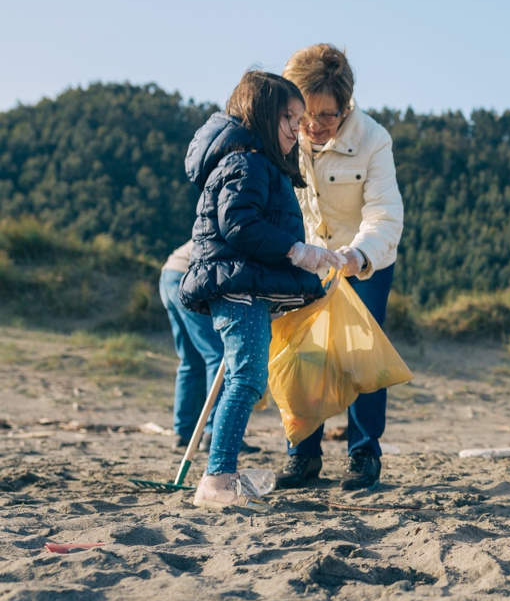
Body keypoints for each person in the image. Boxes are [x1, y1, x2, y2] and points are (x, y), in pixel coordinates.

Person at [180, 70, 346, 511]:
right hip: (237, 289)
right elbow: (239, 225)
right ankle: (217, 480)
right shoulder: (246, 161)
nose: (298, 128)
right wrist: (296, 251)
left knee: (245, 378)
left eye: (300, 117)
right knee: (247, 379)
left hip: (246, 287)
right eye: (289, 118)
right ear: (260, 116)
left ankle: (223, 473)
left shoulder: (258, 162)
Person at [275, 44, 404, 492]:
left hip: (363, 261)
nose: (313, 127)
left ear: (346, 105)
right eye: (304, 116)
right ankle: (302, 456)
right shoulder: (284, 136)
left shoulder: (374, 139)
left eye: (327, 116)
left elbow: (385, 214)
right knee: (303, 355)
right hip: (306, 261)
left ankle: (364, 454)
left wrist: (357, 256)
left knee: (361, 356)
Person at [158, 240, 259, 454]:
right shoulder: (246, 224)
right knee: (217, 354)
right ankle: (214, 432)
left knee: (191, 361)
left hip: (170, 274)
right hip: (187, 277)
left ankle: (184, 434)